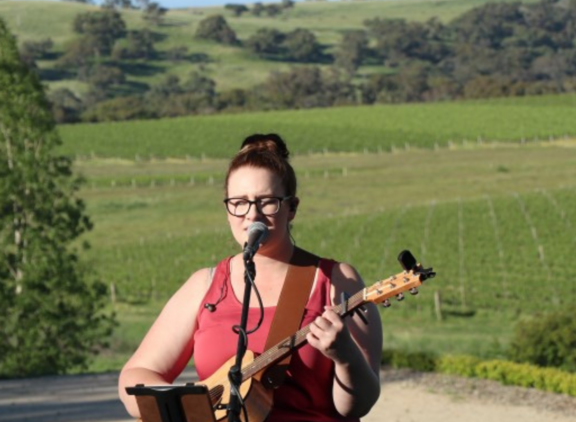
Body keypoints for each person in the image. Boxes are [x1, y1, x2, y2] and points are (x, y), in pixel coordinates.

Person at [118, 134, 382, 421]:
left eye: (267, 202)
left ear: (291, 208)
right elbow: (135, 376)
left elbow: (357, 405)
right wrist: (186, 409)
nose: (252, 215)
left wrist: (345, 356)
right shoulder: (205, 286)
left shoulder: (336, 280)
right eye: (239, 202)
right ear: (227, 209)